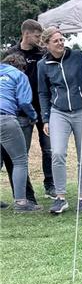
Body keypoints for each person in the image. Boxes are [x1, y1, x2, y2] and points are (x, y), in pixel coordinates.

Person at [37, 28, 82, 215]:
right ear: (46, 45)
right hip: (58, 112)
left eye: (62, 39)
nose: (61, 43)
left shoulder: (77, 56)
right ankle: (60, 198)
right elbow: (43, 93)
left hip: (81, 110)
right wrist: (45, 118)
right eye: (56, 41)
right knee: (58, 153)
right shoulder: (43, 65)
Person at [2, 19, 54, 202]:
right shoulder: (11, 55)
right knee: (19, 155)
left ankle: (51, 185)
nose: (40, 40)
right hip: (21, 113)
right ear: (26, 34)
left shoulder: (43, 53)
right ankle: (25, 196)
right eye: (38, 36)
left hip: (44, 109)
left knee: (49, 149)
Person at [0, 53, 41, 212]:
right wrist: (34, 116)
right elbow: (24, 101)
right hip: (5, 119)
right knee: (19, 160)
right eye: (24, 67)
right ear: (19, 66)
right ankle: (21, 203)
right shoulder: (19, 76)